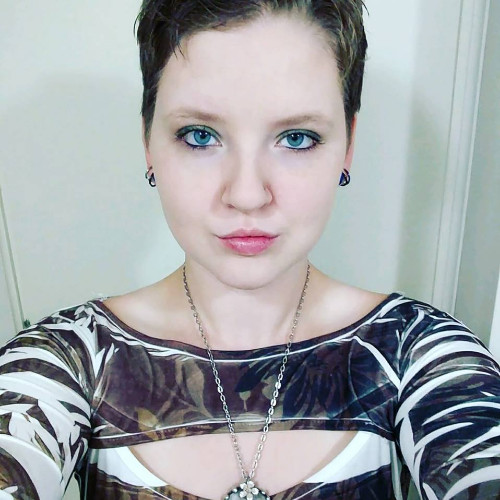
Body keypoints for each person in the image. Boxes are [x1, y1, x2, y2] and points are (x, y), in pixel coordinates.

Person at [1, 0, 499, 499]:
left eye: (297, 138)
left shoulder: (415, 352)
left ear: (348, 145)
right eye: (200, 136)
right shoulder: (67, 360)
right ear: (148, 143)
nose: (246, 195)